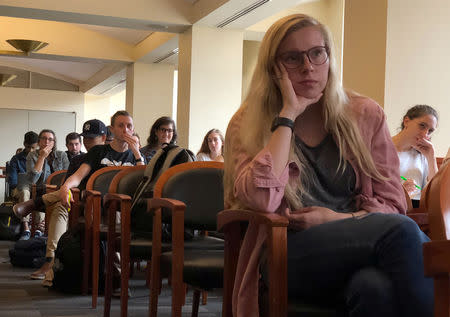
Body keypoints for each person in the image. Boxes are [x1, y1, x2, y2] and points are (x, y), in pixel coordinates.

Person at [224, 14, 433, 317]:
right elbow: (260, 198)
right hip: (286, 252)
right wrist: (287, 116)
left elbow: (394, 203)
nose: (308, 67)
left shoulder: (364, 114)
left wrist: (337, 219)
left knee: (375, 289)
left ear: (329, 57)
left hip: (360, 247)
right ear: (273, 68)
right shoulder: (248, 122)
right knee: (401, 233)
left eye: (317, 53)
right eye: (292, 58)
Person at [14, 112, 145, 281]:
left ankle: (115, 276)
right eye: (120, 125)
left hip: (123, 205)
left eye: (129, 126)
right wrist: (65, 187)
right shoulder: (99, 151)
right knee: (64, 203)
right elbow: (79, 176)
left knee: (115, 213)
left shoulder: (138, 157)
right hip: (93, 200)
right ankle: (52, 265)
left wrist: (136, 152)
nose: (125, 130)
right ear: (112, 129)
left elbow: (143, 182)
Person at [25, 129, 69, 238]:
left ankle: (45, 226)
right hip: (40, 189)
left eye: (50, 139)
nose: (46, 142)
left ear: (54, 142)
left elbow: (67, 175)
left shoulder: (61, 155)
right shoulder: (32, 155)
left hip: (58, 190)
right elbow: (32, 180)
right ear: (39, 141)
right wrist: (42, 157)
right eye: (44, 138)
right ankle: (41, 226)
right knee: (44, 192)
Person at [391, 105, 438, 206]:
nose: (425, 134)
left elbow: (436, 193)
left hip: (416, 209)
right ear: (406, 121)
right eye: (422, 125)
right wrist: (401, 192)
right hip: (388, 208)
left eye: (430, 131)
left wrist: (431, 157)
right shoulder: (380, 149)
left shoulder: (423, 155)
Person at [7, 131, 39, 240]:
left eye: (33, 148)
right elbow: (13, 182)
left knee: (40, 193)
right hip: (18, 189)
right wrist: (24, 185)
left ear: (38, 145)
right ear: (24, 143)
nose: (30, 150)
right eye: (28, 147)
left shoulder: (40, 158)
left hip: (35, 189)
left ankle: (39, 228)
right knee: (25, 192)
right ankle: (26, 228)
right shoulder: (16, 159)